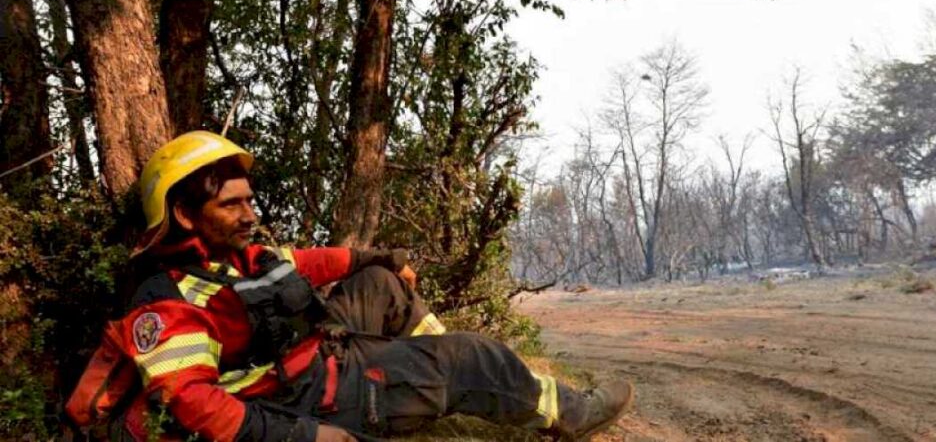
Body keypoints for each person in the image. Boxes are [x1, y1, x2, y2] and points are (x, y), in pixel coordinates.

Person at [65, 131, 633, 442]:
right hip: (302, 399)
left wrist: (380, 256)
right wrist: (309, 438)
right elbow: (194, 405)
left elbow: (314, 263)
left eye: (249, 200)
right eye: (230, 204)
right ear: (185, 216)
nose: (249, 214)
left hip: (315, 353)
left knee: (381, 283)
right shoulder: (169, 302)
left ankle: (430, 361)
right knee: (474, 355)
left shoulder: (244, 256)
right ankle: (566, 414)